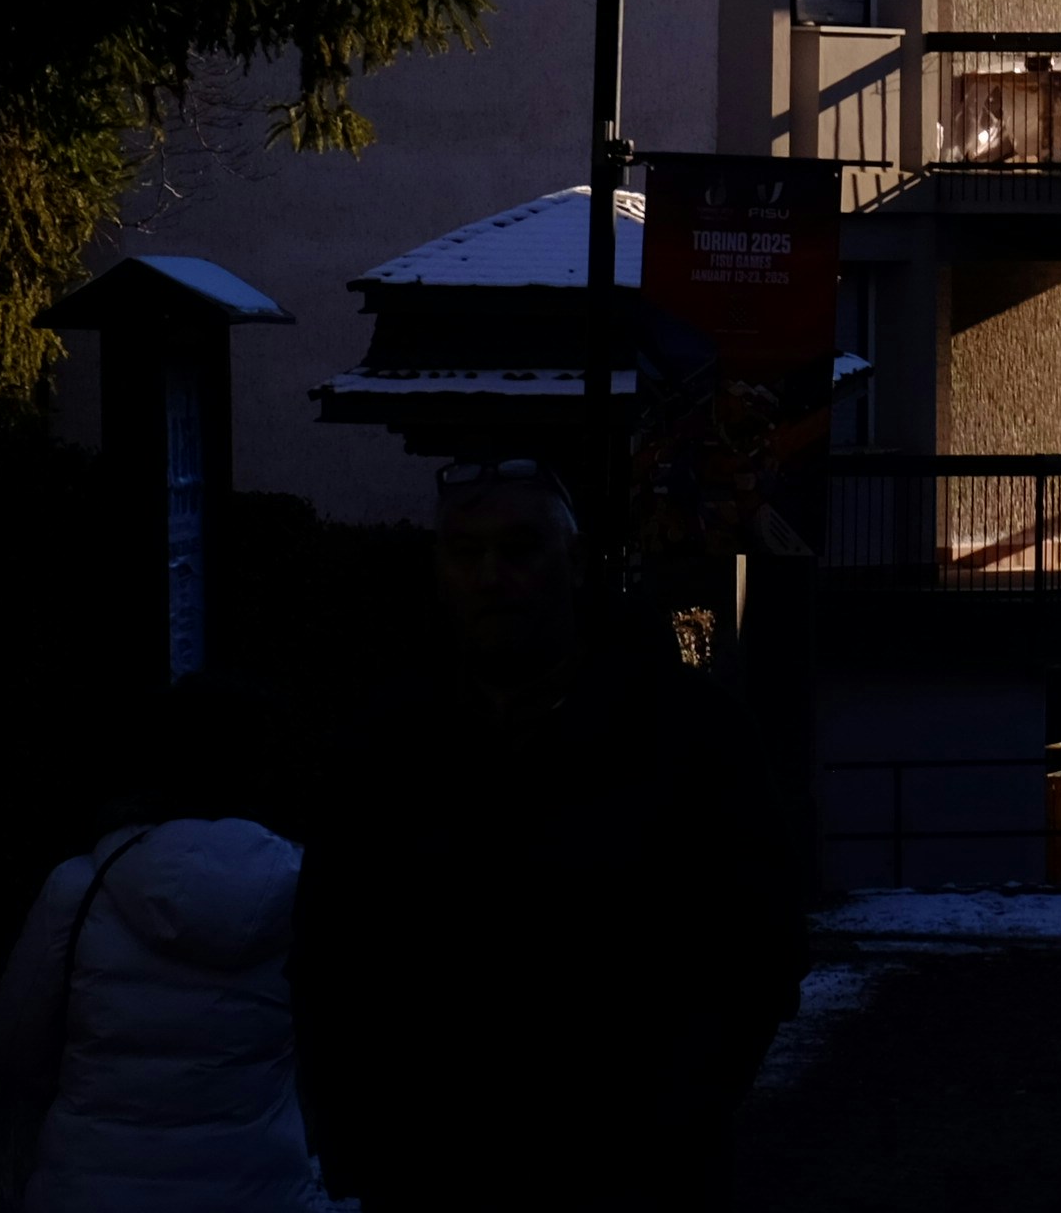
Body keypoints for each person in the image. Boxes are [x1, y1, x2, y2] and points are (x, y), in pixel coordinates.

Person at [296, 461, 808, 1213]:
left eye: (517, 548)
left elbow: (759, 945)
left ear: (572, 562)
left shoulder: (691, 734)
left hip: (632, 1174)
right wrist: (363, 1141)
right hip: (434, 1173)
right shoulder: (382, 745)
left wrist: (676, 1115)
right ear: (438, 571)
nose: (490, 576)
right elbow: (331, 957)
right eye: (466, 552)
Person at [0, 677, 328, 1211]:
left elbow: (12, 1042)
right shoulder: (305, 894)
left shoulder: (79, 888)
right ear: (264, 769)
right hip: (258, 1189)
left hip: (90, 1190)